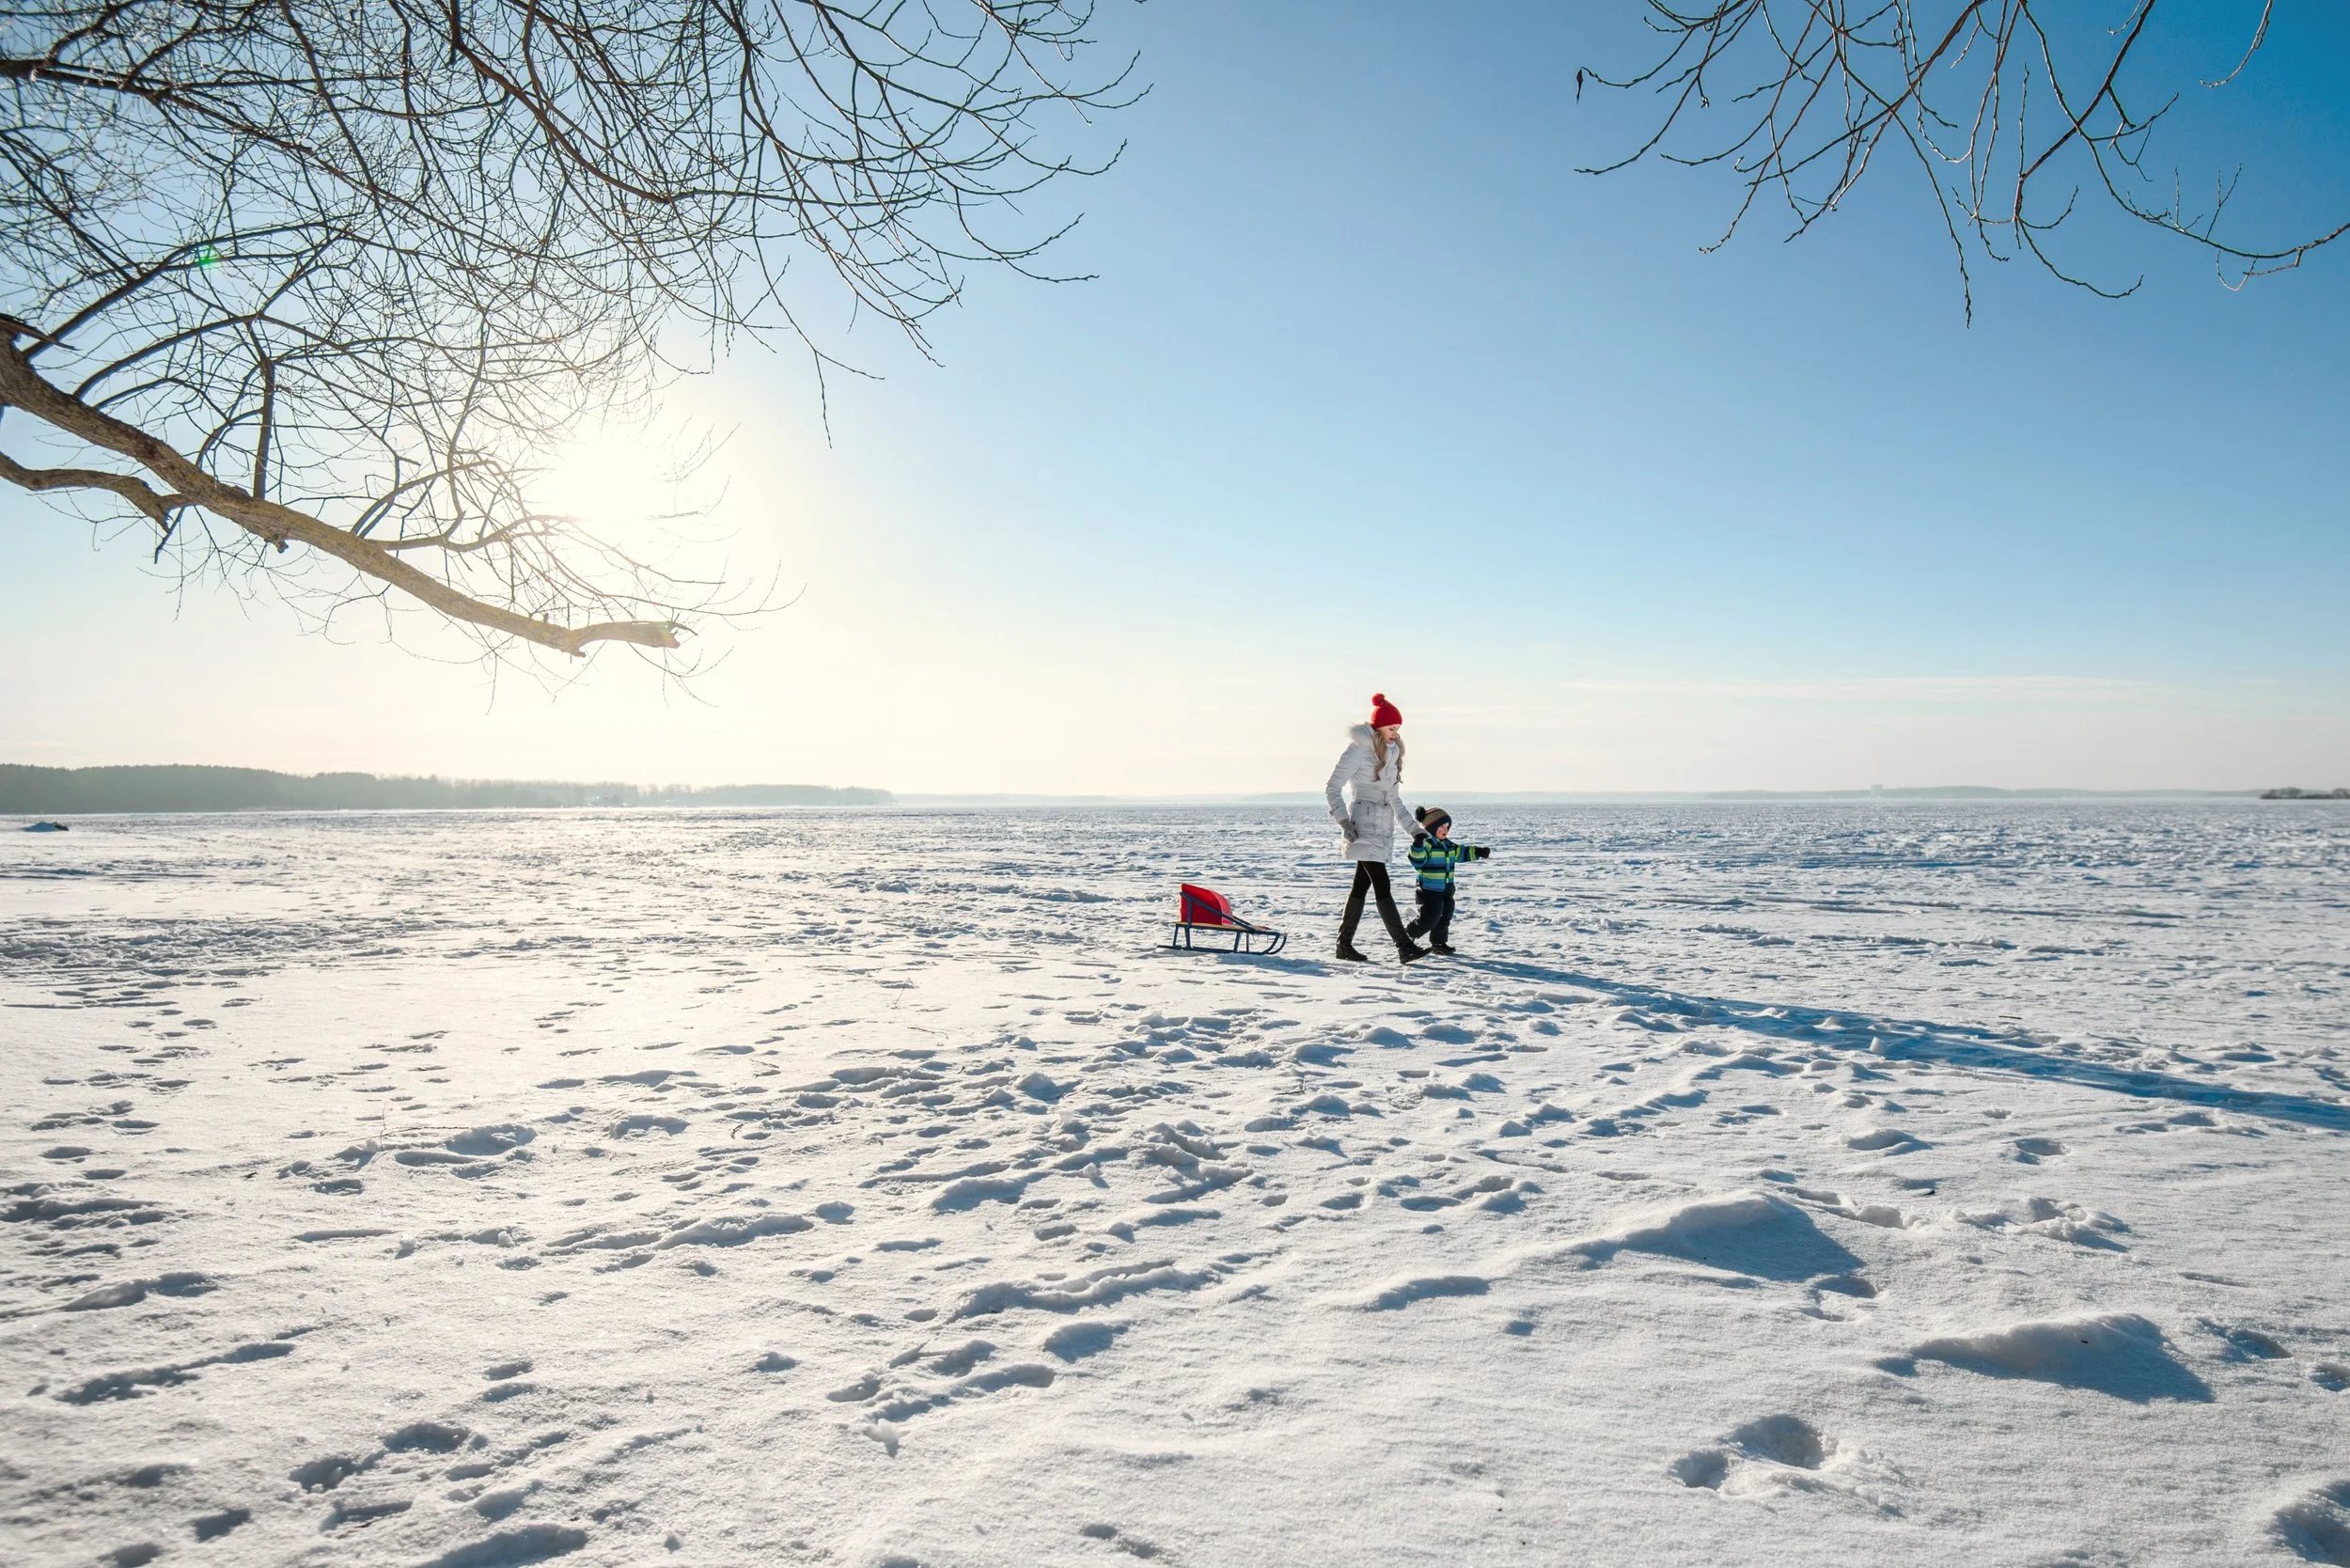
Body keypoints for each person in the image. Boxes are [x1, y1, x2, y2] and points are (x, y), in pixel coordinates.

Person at [1323, 694, 1429, 964]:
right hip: (1362, 824)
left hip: (1382, 827)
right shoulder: (1358, 749)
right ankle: (1404, 946)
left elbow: (1393, 798)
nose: (1396, 733)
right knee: (1382, 883)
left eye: (1398, 729)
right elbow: (1332, 787)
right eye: (1392, 728)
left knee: (1362, 884)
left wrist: (1414, 830)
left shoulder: (1391, 752)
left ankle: (1344, 945)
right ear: (1379, 726)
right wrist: (1343, 822)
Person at [1405, 807, 1491, 955]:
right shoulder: (1427, 844)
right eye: (1441, 826)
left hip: (1446, 888)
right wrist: (1417, 845)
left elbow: (1461, 852)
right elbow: (1416, 861)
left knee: (1445, 915)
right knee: (1430, 918)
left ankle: (1438, 942)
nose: (1446, 830)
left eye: (1447, 826)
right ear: (1431, 828)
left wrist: (1478, 852)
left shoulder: (1448, 845)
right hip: (1429, 890)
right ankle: (1407, 936)